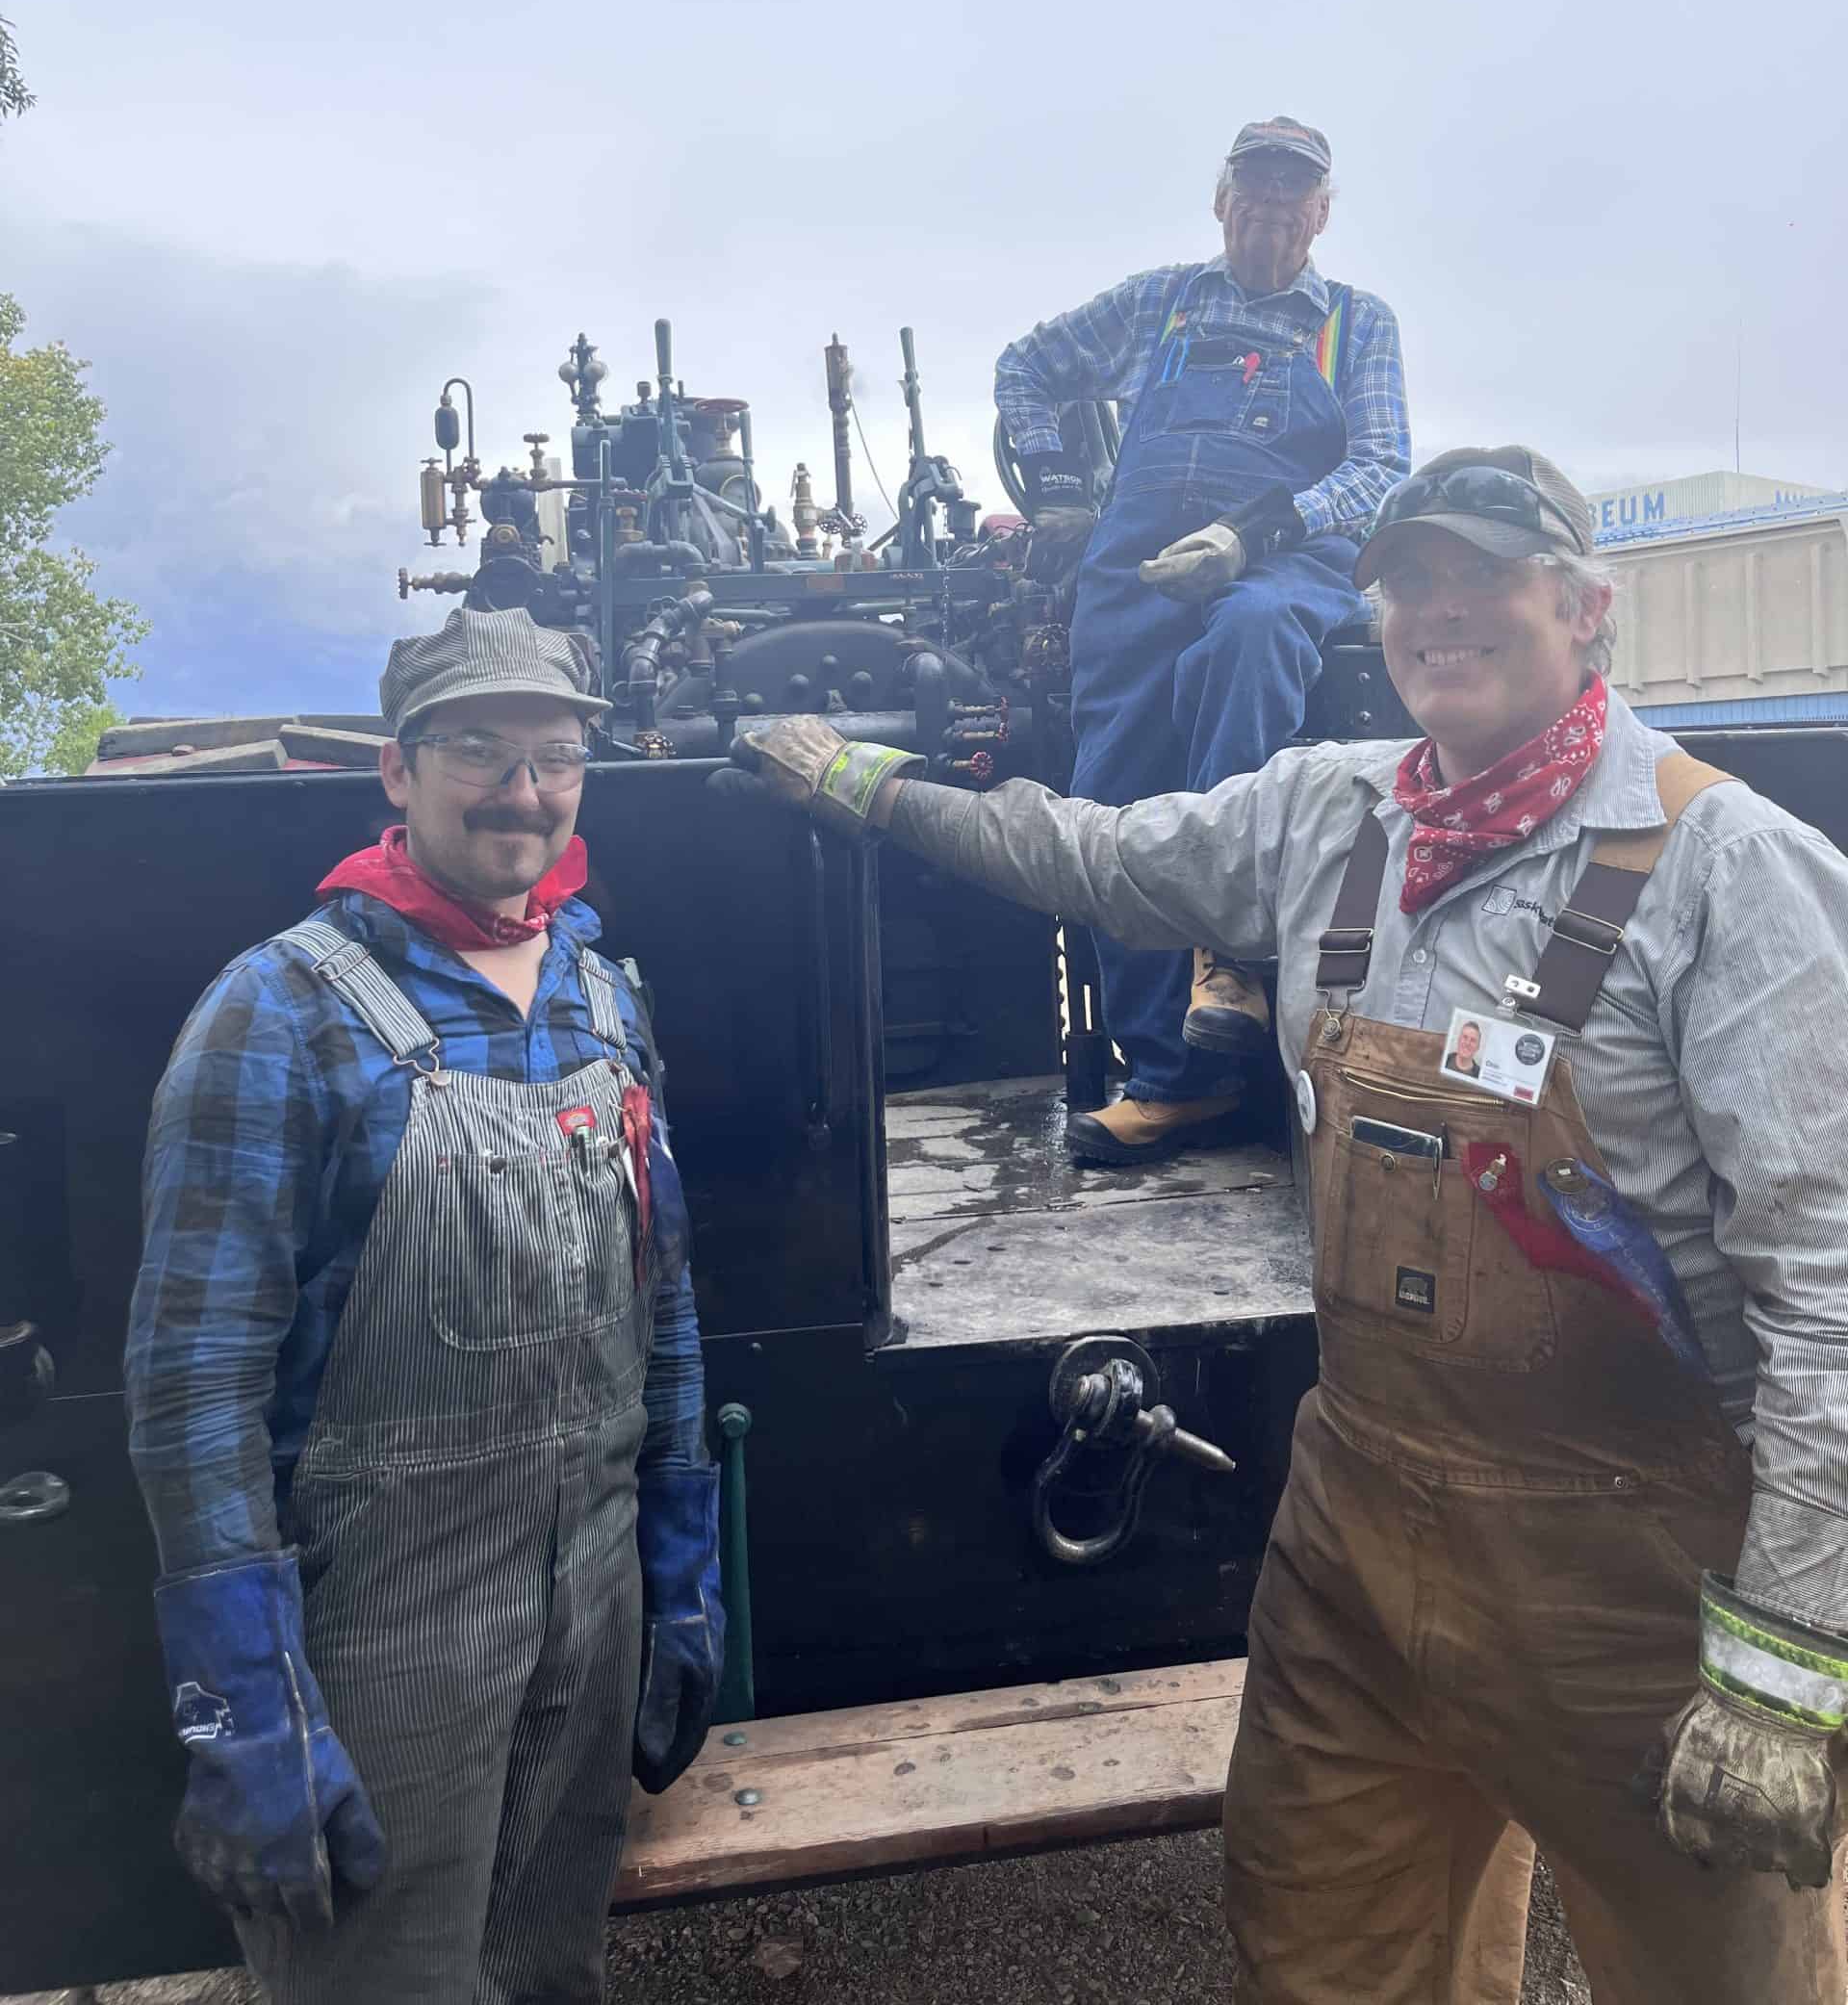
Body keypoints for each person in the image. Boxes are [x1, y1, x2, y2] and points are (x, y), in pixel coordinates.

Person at [723, 448, 1848, 2003]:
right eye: (1413, 582)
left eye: (1487, 577)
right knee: (1321, 1947)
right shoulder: (1331, 812)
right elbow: (1095, 857)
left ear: (1590, 610)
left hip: (1630, 1590)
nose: (1441, 611)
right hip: (1359, 1543)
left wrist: (1787, 1680)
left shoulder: (1734, 879)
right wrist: (868, 789)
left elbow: (1830, 1303)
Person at [124, 606, 722, 2005]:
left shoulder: (600, 991)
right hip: (382, 1624)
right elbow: (193, 1385)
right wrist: (244, 1700)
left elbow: (667, 1293)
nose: (522, 792)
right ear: (397, 772)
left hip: (595, 1584)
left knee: (550, 1971)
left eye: (555, 756)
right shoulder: (278, 1011)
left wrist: (678, 1554)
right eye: (478, 750)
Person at [994, 116, 1410, 1165]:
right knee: (1115, 805)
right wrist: (1051, 487)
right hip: (1136, 580)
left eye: (1294, 192)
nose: (1272, 206)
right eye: (1254, 187)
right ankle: (1172, 1077)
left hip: (1283, 564)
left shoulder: (1356, 325)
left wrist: (1252, 531)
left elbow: (1383, 466)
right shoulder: (1157, 303)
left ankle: (1229, 956)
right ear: (1221, 201)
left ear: (1322, 213)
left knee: (1255, 633)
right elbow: (1025, 368)